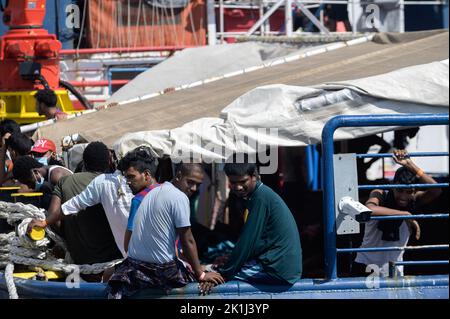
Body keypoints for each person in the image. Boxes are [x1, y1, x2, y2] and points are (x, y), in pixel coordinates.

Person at [107, 163, 224, 299]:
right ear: (179, 176)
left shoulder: (153, 192)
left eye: (197, 185)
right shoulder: (179, 197)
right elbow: (188, 240)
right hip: (161, 270)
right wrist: (201, 274)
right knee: (208, 281)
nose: (193, 188)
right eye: (190, 182)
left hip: (133, 267)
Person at [28, 142, 122, 280]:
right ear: (108, 162)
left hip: (80, 261)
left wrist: (69, 239)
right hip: (112, 262)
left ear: (84, 161)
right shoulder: (114, 183)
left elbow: (53, 217)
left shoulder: (65, 181)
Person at [352, 150, 442, 277]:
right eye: (399, 190)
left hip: (394, 271)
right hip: (366, 265)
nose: (403, 196)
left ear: (414, 191)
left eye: (409, 192)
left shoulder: (414, 200)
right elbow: (369, 209)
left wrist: (410, 165)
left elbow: (436, 190)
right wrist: (404, 214)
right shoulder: (381, 194)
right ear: (392, 186)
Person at [216, 155, 302, 286]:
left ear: (254, 176)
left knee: (216, 274)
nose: (238, 187)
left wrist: (224, 273)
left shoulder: (260, 198)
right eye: (233, 183)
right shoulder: (259, 195)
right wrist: (231, 258)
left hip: (277, 269)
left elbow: (248, 241)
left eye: (243, 182)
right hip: (277, 264)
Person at [116, 146, 160, 253]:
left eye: (131, 177)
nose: (127, 182)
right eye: (126, 177)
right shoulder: (168, 191)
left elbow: (128, 246)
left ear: (146, 175)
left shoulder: (139, 200)